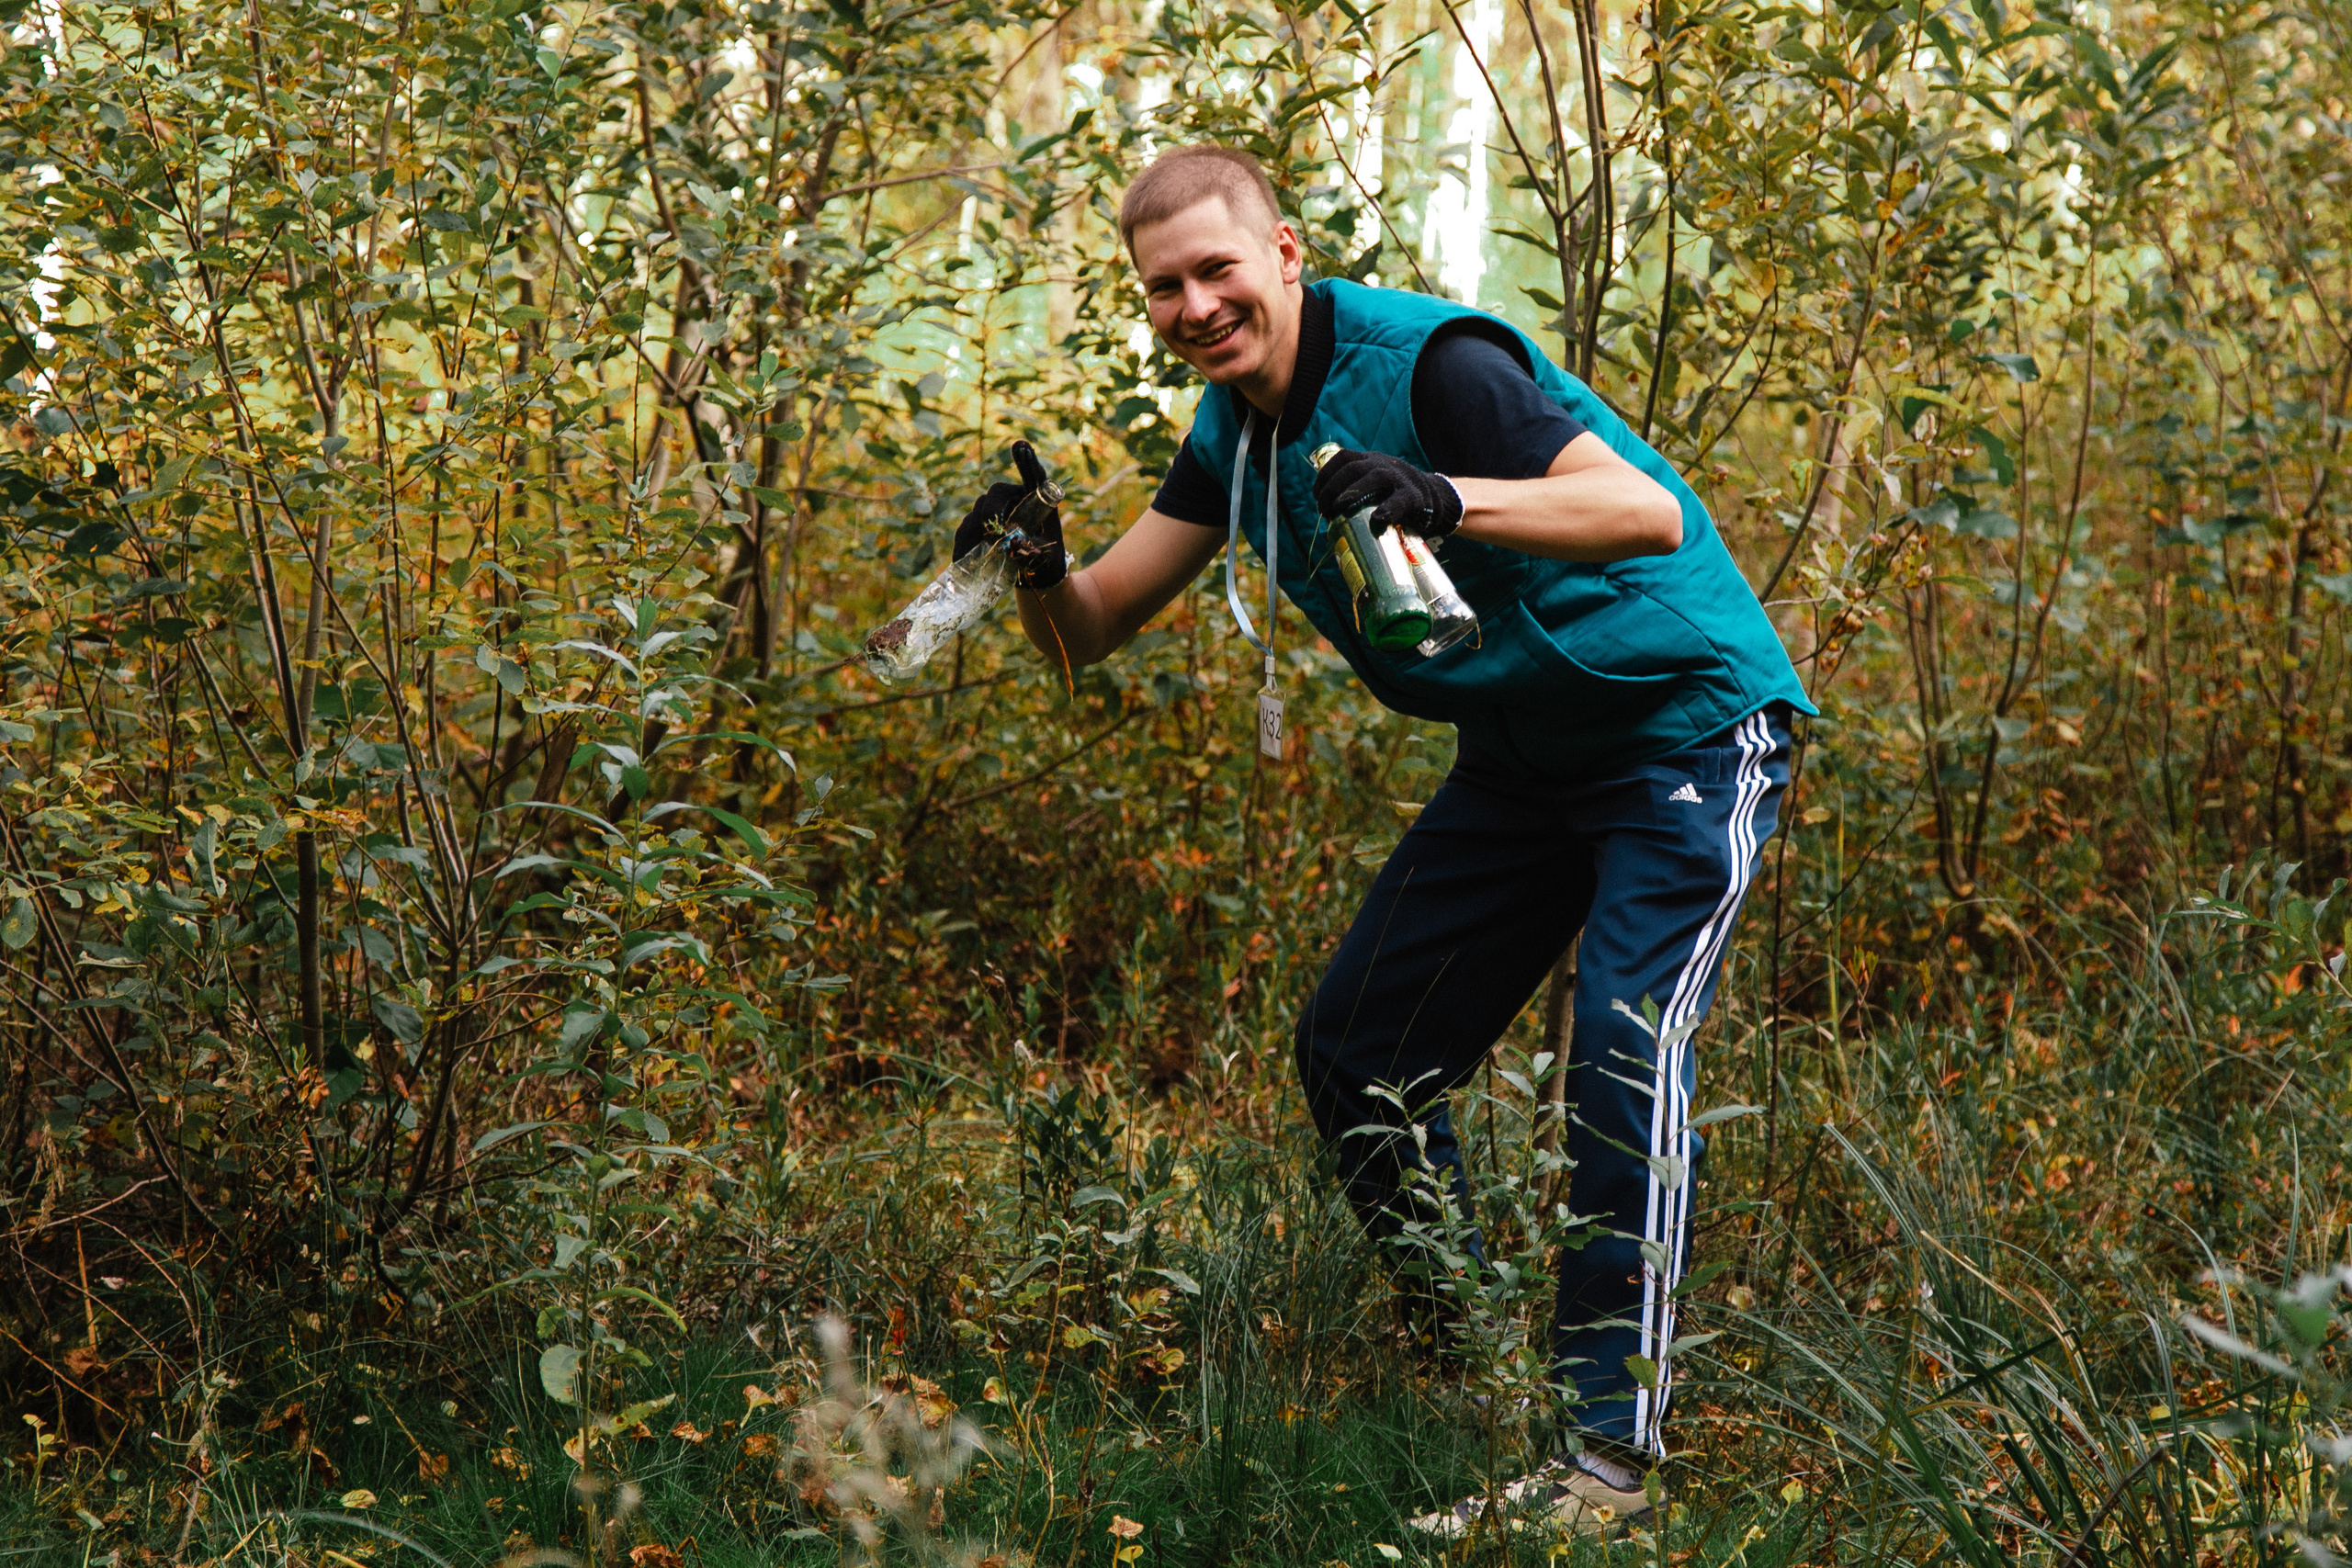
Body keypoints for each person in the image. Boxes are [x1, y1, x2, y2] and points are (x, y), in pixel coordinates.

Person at [950, 143, 1814, 1535]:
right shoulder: (1232, 437)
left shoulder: (1435, 366)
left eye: (1218, 269)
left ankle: (1609, 1467)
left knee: (1624, 1054)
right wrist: (1033, 568)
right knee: (1363, 1048)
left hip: (1682, 724)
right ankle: (1476, 1377)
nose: (1195, 307)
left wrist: (1447, 492)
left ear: (1284, 252)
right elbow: (1092, 634)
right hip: (1526, 760)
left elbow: (1643, 511)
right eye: (1163, 289)